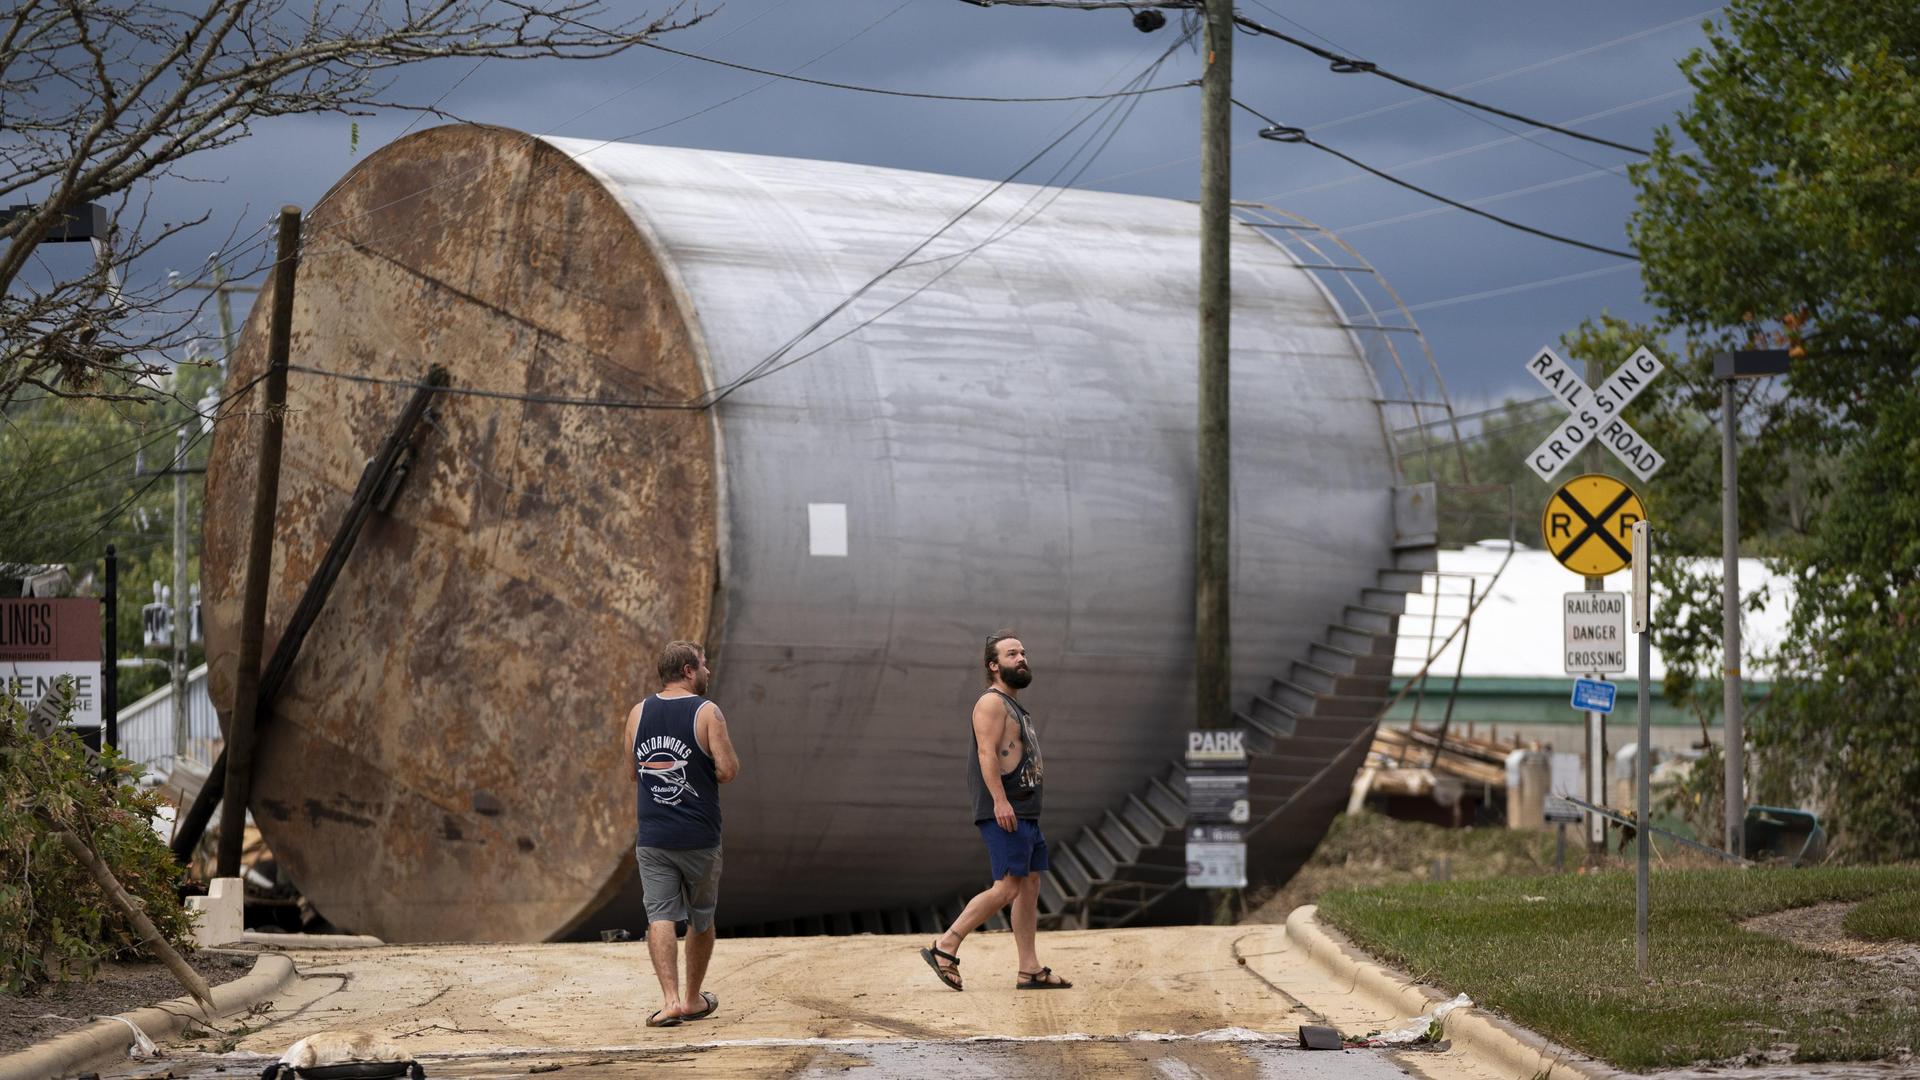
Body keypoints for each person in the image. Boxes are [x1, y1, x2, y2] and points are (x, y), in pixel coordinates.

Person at [919, 630, 1073, 991]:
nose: (1021, 658)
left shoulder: (1014, 705)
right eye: (1012, 654)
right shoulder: (991, 703)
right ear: (993, 665)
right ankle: (946, 946)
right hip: (1006, 810)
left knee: (1029, 884)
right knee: (1006, 888)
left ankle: (1029, 969)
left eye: (1023, 653)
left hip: (1025, 811)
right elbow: (986, 755)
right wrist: (1000, 801)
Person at [622, 639, 741, 1027]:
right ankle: (692, 1000)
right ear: (689, 671)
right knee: (701, 919)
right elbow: (727, 770)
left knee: (659, 916)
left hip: (653, 837)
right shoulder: (707, 712)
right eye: (703, 665)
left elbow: (634, 772)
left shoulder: (637, 713)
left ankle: (669, 1001)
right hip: (699, 838)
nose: (707, 671)